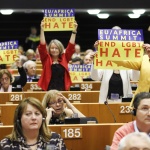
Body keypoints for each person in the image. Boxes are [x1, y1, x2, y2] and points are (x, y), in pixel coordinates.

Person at [0, 97, 66, 149]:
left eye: (37, 114)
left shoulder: (55, 139)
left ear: (43, 118)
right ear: (19, 119)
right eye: (28, 114)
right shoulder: (7, 144)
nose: (34, 118)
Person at [37, 19, 78, 91]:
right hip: (48, 90)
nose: (54, 50)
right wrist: (42, 29)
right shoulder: (46, 58)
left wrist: (74, 31)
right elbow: (42, 45)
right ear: (49, 49)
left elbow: (71, 46)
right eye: (52, 48)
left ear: (60, 49)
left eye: (56, 48)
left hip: (62, 89)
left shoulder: (65, 57)